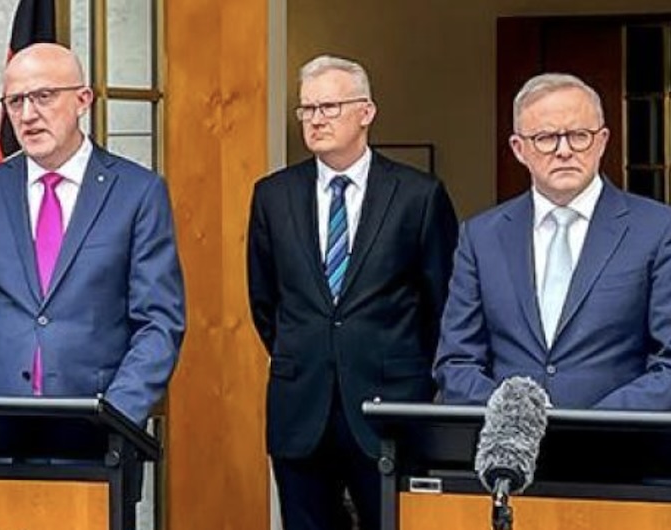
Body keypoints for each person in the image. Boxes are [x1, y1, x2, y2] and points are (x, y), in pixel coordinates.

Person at [247, 55, 458, 530]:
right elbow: (266, 302)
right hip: (300, 407)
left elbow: (442, 303)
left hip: (390, 406)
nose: (316, 118)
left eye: (329, 106)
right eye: (307, 109)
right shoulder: (273, 196)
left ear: (366, 112)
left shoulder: (417, 195)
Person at [0, 43, 185, 426]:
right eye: (15, 102)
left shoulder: (138, 192)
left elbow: (159, 323)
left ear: (83, 100)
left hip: (97, 427)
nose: (28, 115)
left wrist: (118, 414)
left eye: (43, 97)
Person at [434, 72, 671, 409]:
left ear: (603, 140)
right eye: (545, 137)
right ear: (519, 148)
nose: (564, 151)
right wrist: (514, 421)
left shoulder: (658, 229)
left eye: (579, 135)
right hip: (511, 453)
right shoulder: (481, 236)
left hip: (622, 453)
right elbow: (456, 362)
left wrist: (589, 427)